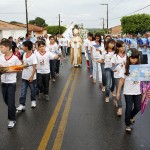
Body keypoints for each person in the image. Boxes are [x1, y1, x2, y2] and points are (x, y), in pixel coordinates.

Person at [116, 48, 141, 133]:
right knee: (129, 108)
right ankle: (127, 125)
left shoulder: (140, 67)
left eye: (136, 58)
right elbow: (121, 80)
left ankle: (130, 117)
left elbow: (144, 80)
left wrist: (145, 91)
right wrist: (118, 92)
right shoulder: (125, 68)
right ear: (128, 57)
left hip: (138, 91)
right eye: (132, 58)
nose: (134, 60)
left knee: (138, 107)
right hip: (128, 92)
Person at [0, 40, 22, 128]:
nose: (0, 49)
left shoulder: (15, 58)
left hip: (11, 83)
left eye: (1, 47)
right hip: (3, 82)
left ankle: (12, 120)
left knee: (10, 101)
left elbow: (20, 68)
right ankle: (13, 108)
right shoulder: (1, 57)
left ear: (8, 48)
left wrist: (9, 70)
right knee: (6, 100)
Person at [17, 41, 37, 112]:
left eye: (23, 46)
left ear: (26, 47)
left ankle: (33, 101)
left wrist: (32, 76)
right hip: (24, 76)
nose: (21, 47)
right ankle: (22, 105)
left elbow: (35, 67)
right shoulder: (24, 54)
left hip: (31, 77)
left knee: (32, 90)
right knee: (23, 91)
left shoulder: (33, 56)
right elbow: (24, 63)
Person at [111, 40, 127, 116]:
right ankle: (120, 108)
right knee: (119, 91)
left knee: (123, 92)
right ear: (117, 47)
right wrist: (118, 66)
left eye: (124, 46)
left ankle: (116, 99)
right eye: (122, 46)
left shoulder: (127, 55)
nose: (123, 48)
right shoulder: (114, 56)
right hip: (117, 76)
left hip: (126, 77)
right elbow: (113, 68)